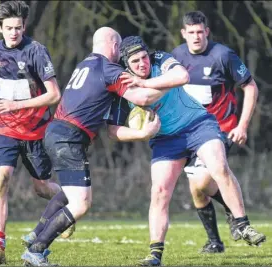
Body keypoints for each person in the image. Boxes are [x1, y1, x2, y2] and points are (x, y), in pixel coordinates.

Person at [20, 26, 187, 266]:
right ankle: (36, 249)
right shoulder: (108, 69)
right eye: (119, 48)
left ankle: (36, 235)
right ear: (114, 46)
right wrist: (169, 85)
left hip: (55, 131)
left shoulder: (85, 64)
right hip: (70, 137)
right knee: (81, 203)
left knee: (69, 193)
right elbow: (142, 98)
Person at [106, 35, 266, 266]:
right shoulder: (119, 83)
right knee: (160, 191)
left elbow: (182, 76)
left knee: (219, 167)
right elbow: (112, 131)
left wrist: (145, 83)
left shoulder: (160, 59)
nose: (143, 64)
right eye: (136, 62)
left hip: (197, 124)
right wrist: (141, 134)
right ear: (125, 65)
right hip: (165, 139)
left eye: (144, 58)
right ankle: (155, 255)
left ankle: (243, 224)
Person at [0, 1, 62, 264]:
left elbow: (54, 95)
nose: (14, 33)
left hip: (36, 131)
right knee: (2, 179)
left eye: (18, 28)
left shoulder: (37, 52)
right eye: (9, 28)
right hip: (4, 129)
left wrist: (17, 105)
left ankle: (68, 204)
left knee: (41, 188)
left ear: (24, 26)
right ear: (0, 28)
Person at [171, 10, 261, 253]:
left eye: (200, 32)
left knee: (203, 179)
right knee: (197, 190)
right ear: (184, 34)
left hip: (221, 128)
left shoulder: (223, 55)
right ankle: (214, 242)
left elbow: (250, 87)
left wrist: (242, 125)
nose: (196, 37)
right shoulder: (176, 56)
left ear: (207, 32)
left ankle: (237, 216)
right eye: (191, 33)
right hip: (189, 130)